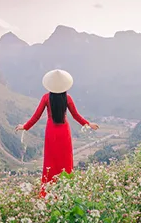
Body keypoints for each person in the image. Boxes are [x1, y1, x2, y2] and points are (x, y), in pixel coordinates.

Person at [16, 69, 98, 197]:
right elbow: (76, 115)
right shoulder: (67, 98)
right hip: (64, 132)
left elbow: (36, 116)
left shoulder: (46, 98)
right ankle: (66, 189)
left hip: (51, 132)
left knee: (50, 161)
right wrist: (88, 124)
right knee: (65, 160)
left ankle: (48, 191)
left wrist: (25, 127)